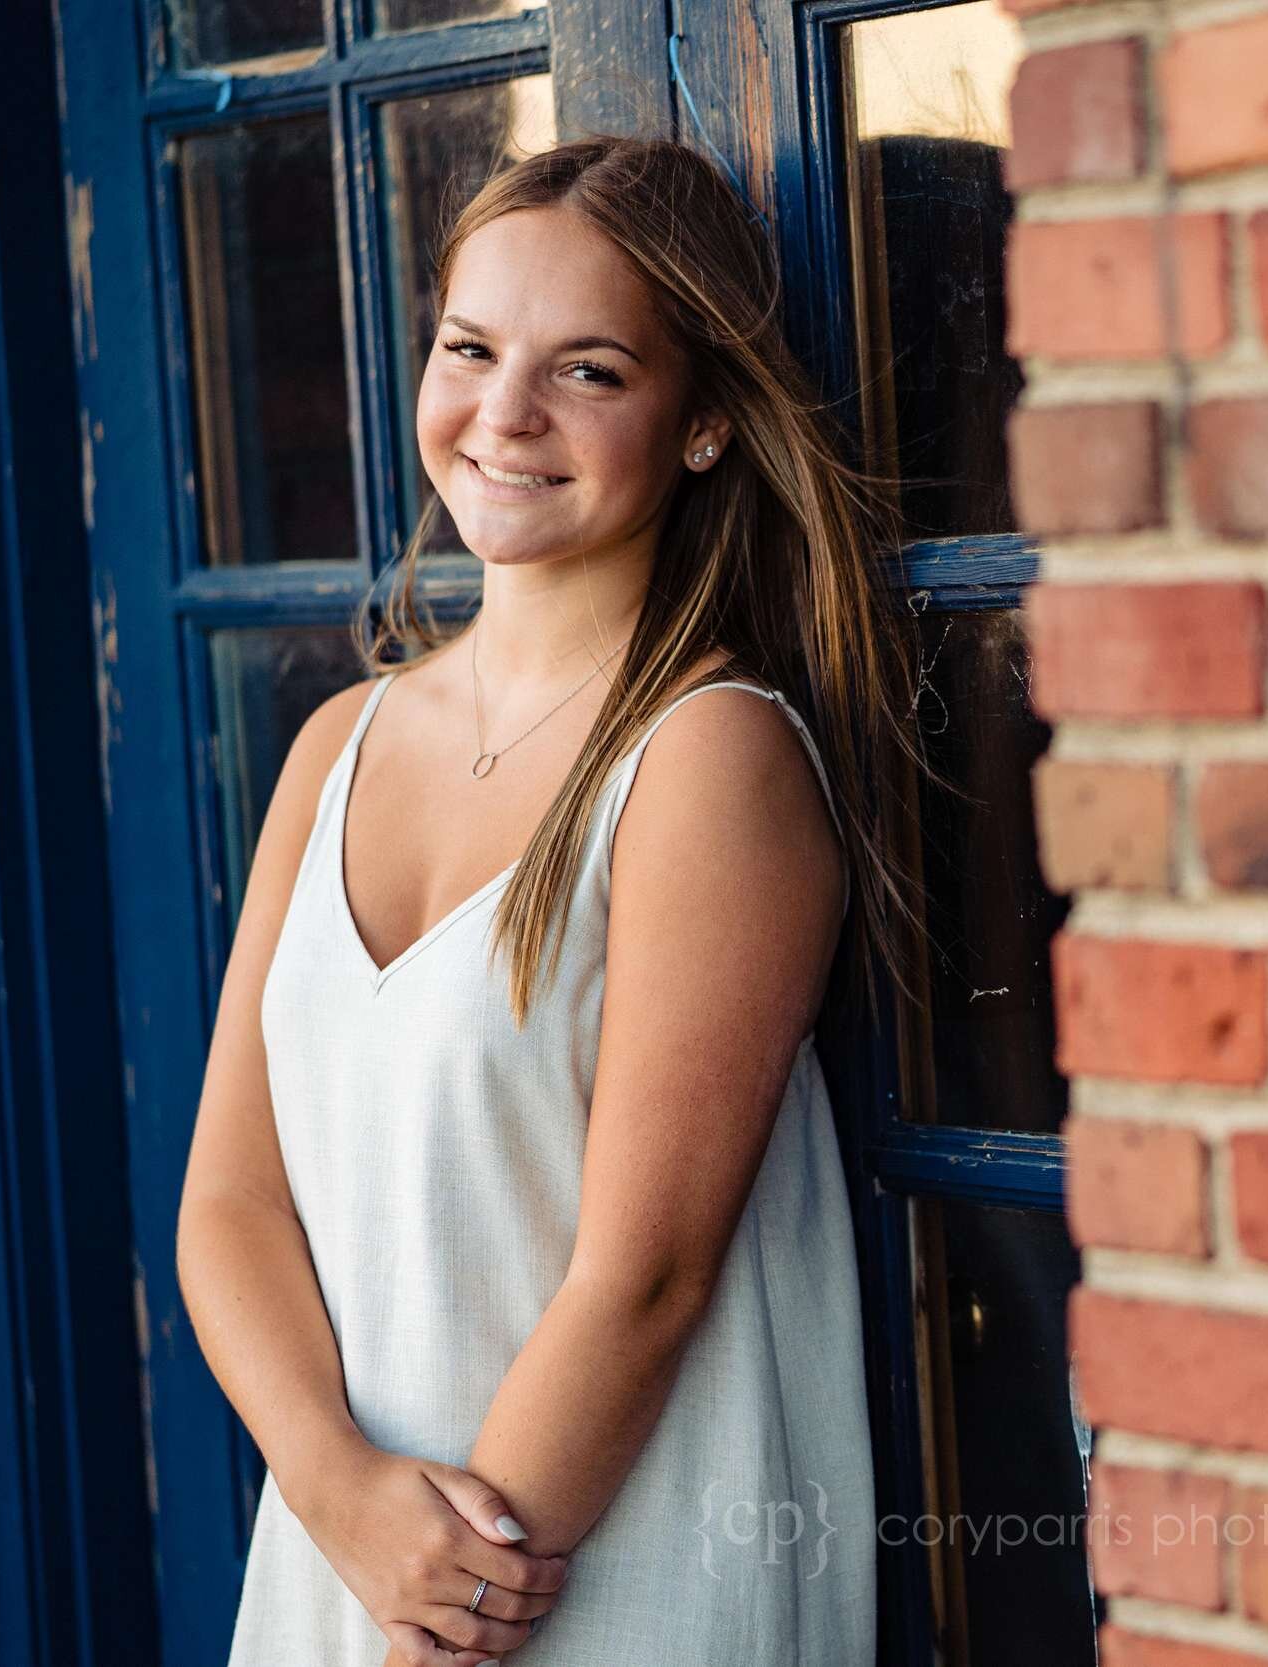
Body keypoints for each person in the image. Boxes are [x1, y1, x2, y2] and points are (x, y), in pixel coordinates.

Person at [176, 134, 925, 1665]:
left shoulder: (708, 760)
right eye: (471, 349)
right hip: (343, 1573)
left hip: (599, 1591)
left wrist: (441, 1621)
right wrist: (340, 1502)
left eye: (587, 370)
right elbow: (231, 1206)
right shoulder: (340, 745)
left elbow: (643, 1278)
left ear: (704, 423)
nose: (503, 415)